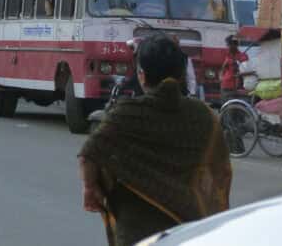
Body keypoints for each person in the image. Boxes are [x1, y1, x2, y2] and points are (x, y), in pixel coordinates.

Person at [78, 34, 232, 246]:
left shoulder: (125, 113)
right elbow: (220, 171)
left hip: (137, 230)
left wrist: (90, 188)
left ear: (141, 75)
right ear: (181, 74)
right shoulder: (204, 116)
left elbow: (90, 153)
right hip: (189, 227)